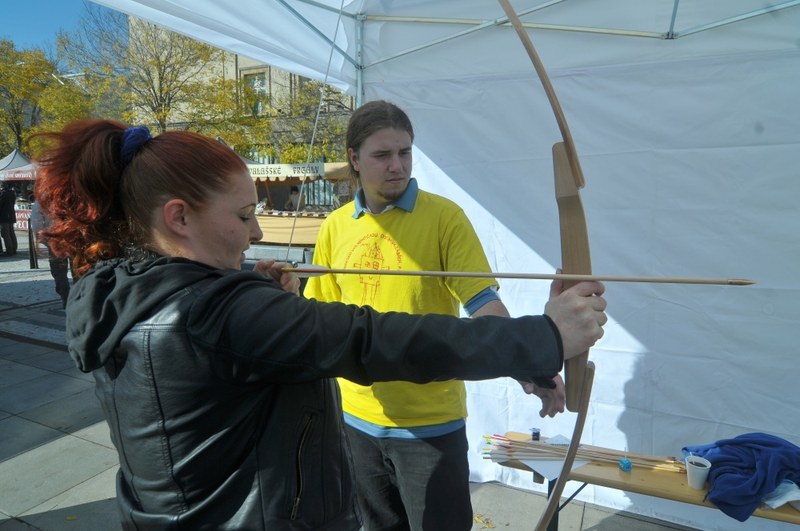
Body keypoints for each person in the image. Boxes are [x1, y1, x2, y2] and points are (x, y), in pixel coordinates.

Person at [33, 118, 607, 530]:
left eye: (405, 153)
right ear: (178, 217)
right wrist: (546, 335)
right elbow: (367, 335)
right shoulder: (218, 311)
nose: (257, 234)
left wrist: (262, 300)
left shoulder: (117, 290)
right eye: (243, 215)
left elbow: (253, 342)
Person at [304, 100, 569, 530]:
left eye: (404, 153)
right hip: (357, 421)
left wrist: (529, 363)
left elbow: (483, 304)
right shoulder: (335, 225)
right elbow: (320, 316)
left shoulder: (444, 217)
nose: (397, 165)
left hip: (430, 427)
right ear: (354, 158)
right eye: (382, 155)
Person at [29, 192, 71, 308]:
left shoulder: (42, 199)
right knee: (78, 268)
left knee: (59, 271)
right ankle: (80, 297)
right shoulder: (70, 194)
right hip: (73, 236)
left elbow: (36, 223)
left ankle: (66, 297)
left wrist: (44, 239)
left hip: (55, 239)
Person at [0, 181, 18, 256]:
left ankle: (9, 250)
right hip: (11, 215)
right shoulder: (12, 193)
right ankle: (14, 248)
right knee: (11, 232)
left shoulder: (3, 193)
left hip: (4, 216)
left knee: (5, 233)